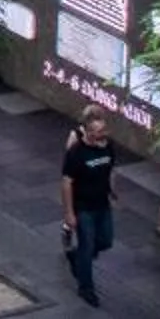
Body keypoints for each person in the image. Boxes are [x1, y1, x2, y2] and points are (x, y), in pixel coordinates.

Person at [60, 108, 118, 307]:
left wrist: (112, 190)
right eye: (100, 131)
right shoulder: (76, 152)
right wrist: (69, 213)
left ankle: (75, 256)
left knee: (106, 240)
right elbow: (66, 182)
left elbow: (111, 168)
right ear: (89, 133)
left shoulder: (108, 146)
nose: (104, 134)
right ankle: (86, 287)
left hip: (102, 203)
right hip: (83, 206)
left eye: (105, 130)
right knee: (87, 245)